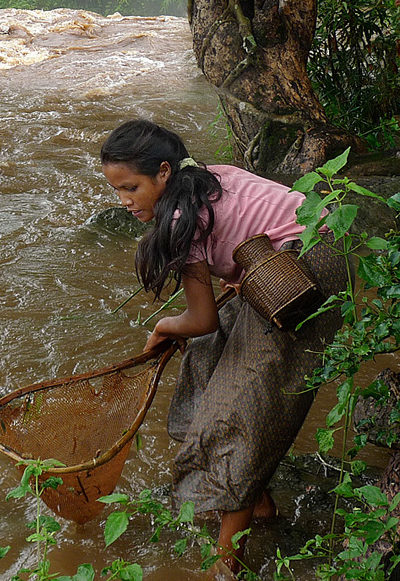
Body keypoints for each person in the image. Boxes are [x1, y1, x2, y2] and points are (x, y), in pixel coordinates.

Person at [99, 119, 345, 579]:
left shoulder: (180, 219)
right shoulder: (212, 177)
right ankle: (260, 506)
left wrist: (163, 326)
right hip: (318, 245)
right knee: (207, 360)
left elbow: (201, 319)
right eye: (117, 191)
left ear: (164, 173)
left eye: (130, 188)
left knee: (242, 407)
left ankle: (224, 565)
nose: (124, 202)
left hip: (304, 273)